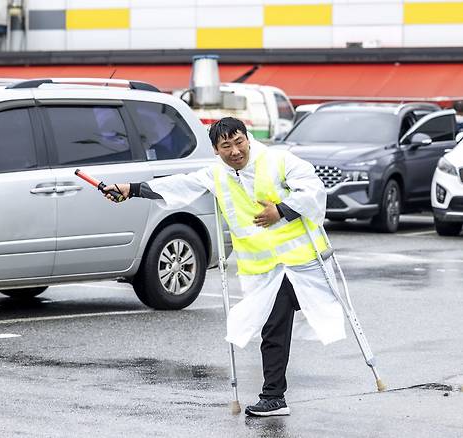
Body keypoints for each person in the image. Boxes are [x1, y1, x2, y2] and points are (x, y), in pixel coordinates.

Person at [102, 117, 346, 417]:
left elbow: (313, 191)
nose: (234, 151)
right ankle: (274, 397)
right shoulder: (217, 174)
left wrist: (280, 210)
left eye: (239, 141)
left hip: (304, 263)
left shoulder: (278, 160)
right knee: (273, 328)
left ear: (248, 138)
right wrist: (131, 189)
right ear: (216, 150)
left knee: (299, 318)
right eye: (225, 146)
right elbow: (180, 184)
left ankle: (274, 396)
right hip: (268, 270)